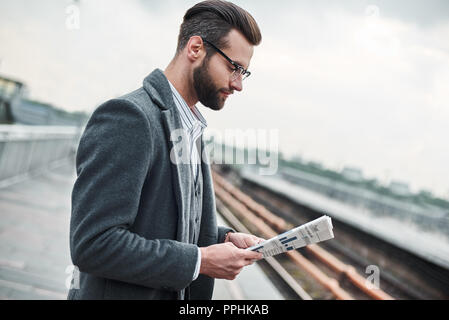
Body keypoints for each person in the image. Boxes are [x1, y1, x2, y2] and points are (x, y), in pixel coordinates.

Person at [68, 0, 264, 300]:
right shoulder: (129, 118)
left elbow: (162, 221)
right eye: (234, 67)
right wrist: (202, 260)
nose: (238, 84)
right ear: (196, 48)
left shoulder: (190, 127)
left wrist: (221, 238)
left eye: (244, 73)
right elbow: (94, 244)